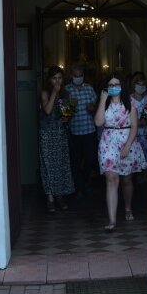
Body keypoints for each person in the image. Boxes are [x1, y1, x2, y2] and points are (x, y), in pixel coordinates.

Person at [94, 74, 147, 231]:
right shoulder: (103, 103)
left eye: (116, 84)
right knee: (111, 179)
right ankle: (112, 220)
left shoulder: (130, 104)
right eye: (110, 85)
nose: (114, 87)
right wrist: (103, 99)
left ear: (122, 86)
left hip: (127, 142)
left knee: (126, 180)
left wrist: (127, 146)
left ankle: (128, 208)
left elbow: (135, 127)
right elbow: (98, 122)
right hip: (108, 143)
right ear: (106, 87)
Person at [40, 65, 75, 212]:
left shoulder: (66, 93)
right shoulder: (45, 92)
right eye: (54, 78)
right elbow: (47, 110)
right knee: (48, 165)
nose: (57, 81)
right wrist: (54, 92)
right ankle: (50, 198)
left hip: (61, 133)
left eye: (60, 78)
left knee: (61, 165)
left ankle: (60, 197)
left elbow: (67, 116)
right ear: (49, 80)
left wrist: (68, 114)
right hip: (47, 134)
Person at [64, 64, 98, 198]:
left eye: (81, 76)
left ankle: (82, 182)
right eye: (76, 76)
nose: (79, 78)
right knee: (75, 161)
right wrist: (70, 107)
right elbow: (64, 115)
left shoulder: (89, 89)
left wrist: (92, 108)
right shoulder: (66, 90)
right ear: (71, 76)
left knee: (90, 159)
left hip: (89, 130)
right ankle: (79, 186)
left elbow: (96, 107)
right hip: (74, 131)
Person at [129, 72, 147, 158]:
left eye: (143, 84)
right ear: (134, 85)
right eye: (138, 84)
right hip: (133, 136)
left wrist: (136, 122)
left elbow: (145, 120)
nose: (141, 86)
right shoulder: (128, 100)